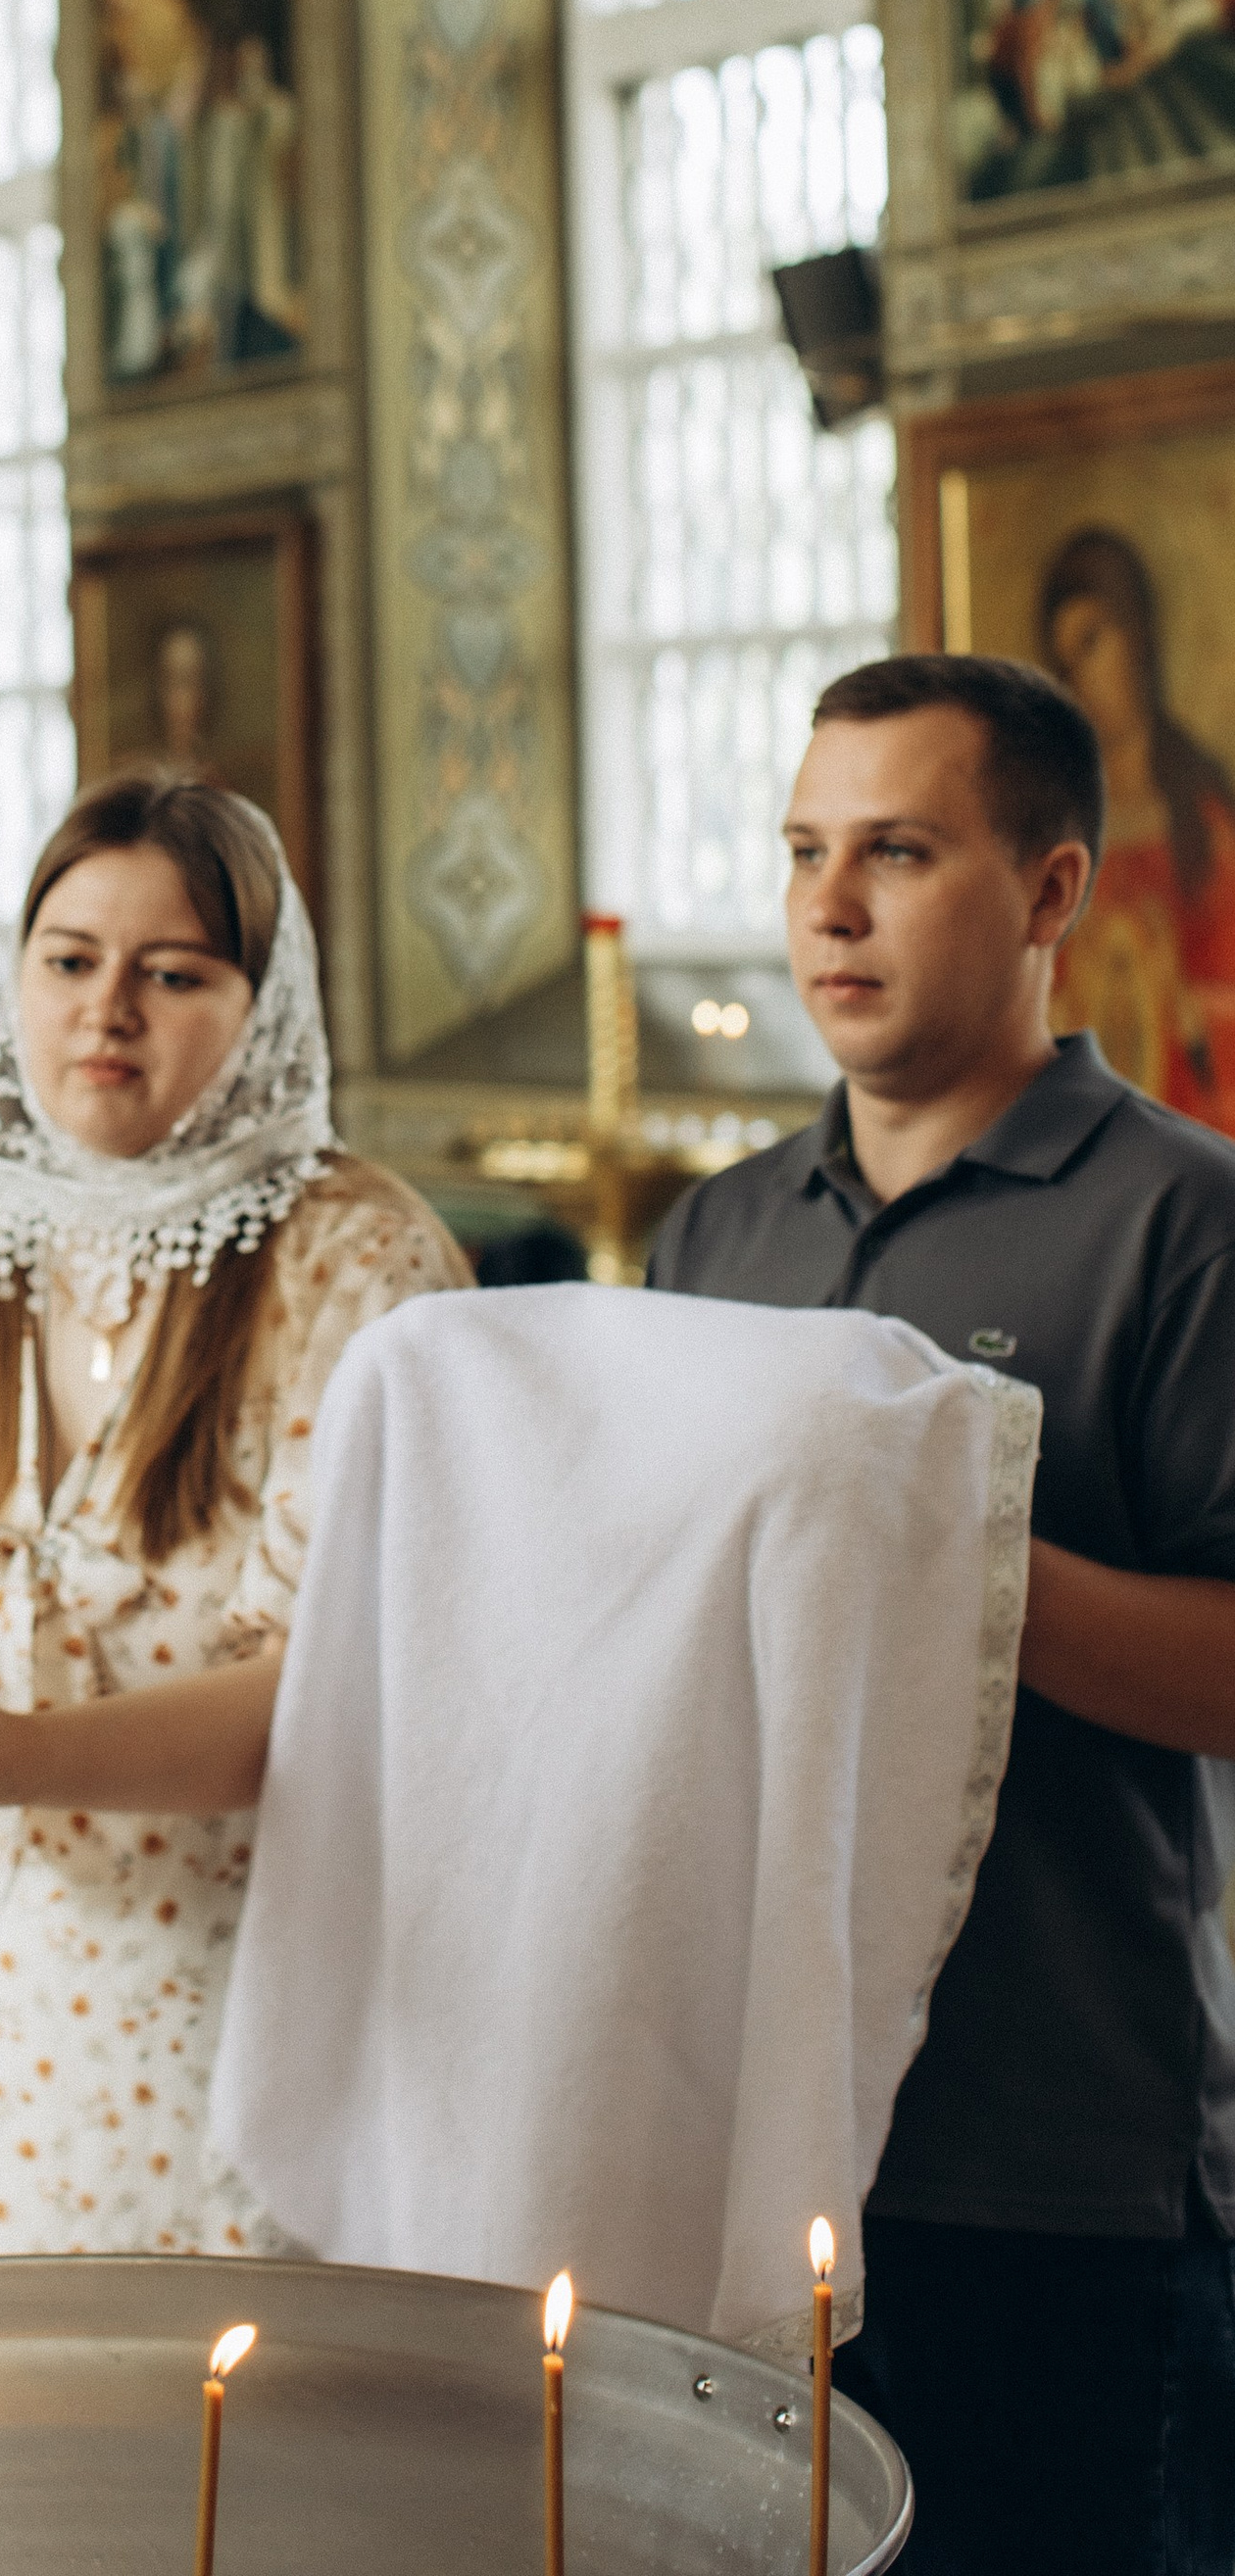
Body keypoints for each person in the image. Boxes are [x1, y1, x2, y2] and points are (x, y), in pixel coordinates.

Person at [650, 651, 1235, 2576]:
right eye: (805, 849)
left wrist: (944, 1541)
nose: (823, 907)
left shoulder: (1180, 1222)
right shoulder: (716, 1233)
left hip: (1042, 2133)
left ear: (1051, 892)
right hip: (729, 2125)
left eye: (892, 852)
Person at [0, 767, 468, 2259]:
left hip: (250, 1990)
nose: (109, 1012)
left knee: (221, 2457)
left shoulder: (361, 1272)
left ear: (265, 1006)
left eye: (176, 973)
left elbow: (343, 1699)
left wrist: (12, 1754)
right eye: (70, 961)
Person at [1038, 519, 1235, 1122]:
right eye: (1067, 663)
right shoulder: (1057, 833)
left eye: (1094, 641)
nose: (1083, 681)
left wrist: (1174, 993)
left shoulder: (1207, 826)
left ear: (1140, 635)